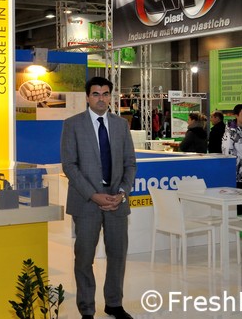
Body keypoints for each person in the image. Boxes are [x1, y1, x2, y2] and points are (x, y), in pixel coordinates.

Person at [60, 76, 137, 319]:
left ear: (110, 97)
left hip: (117, 202)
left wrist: (122, 192)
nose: (101, 98)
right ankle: (86, 309)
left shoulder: (121, 125)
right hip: (86, 202)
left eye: (105, 94)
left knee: (118, 256)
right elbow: (69, 165)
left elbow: (130, 163)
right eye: (96, 94)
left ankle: (114, 304)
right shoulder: (73, 125)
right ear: (87, 97)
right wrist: (93, 195)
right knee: (84, 258)